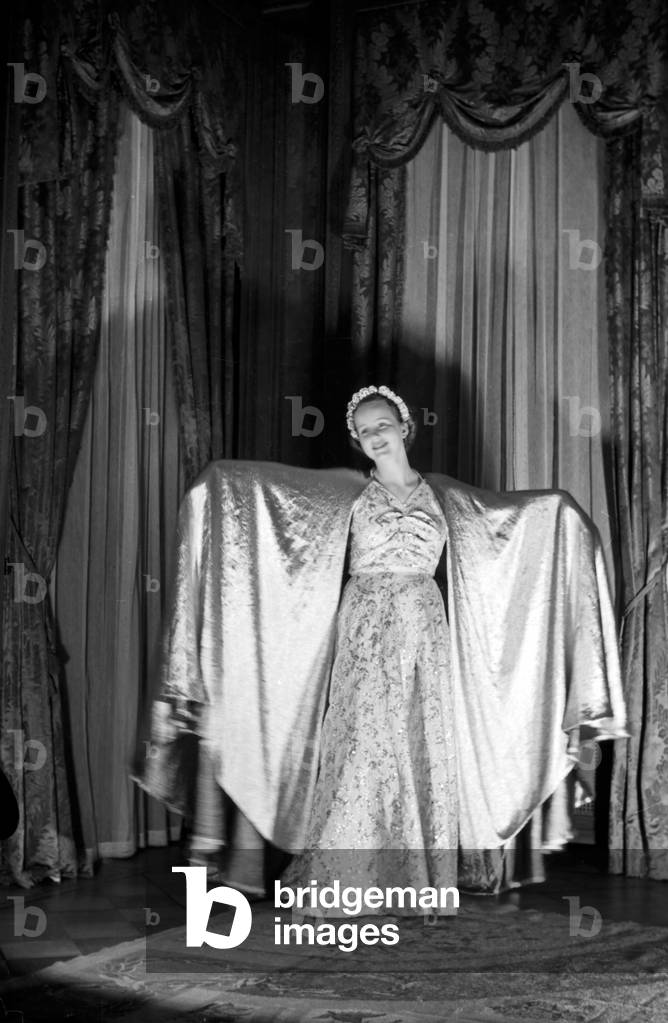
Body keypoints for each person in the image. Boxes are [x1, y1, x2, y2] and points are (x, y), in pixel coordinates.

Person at [281, 385, 459, 913]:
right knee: (365, 740)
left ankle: (414, 881)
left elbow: (498, 531)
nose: (375, 436)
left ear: (404, 427)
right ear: (357, 441)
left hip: (424, 625)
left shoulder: (444, 496)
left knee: (417, 738)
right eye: (364, 431)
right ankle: (342, 880)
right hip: (366, 624)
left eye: (383, 424)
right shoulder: (350, 494)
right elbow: (288, 522)